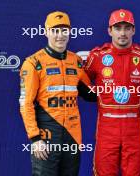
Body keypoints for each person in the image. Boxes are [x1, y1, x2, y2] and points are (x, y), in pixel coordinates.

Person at [19, 11, 96, 176]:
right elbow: (26, 104)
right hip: (46, 137)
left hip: (73, 137)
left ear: (70, 32)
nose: (60, 35)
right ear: (46, 32)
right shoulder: (33, 63)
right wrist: (35, 138)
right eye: (55, 31)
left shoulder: (76, 61)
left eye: (64, 30)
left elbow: (91, 94)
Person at [85, 9, 140, 176]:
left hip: (133, 127)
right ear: (110, 30)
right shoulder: (97, 55)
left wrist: (139, 103)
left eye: (127, 28)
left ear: (133, 30)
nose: (122, 33)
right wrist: (102, 97)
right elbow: (82, 83)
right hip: (106, 127)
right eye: (118, 28)